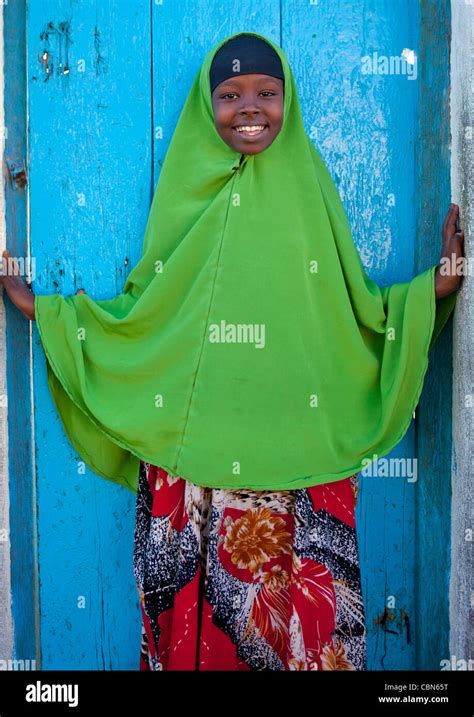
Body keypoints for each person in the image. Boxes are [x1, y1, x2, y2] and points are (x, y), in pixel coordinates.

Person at [0, 32, 464, 671]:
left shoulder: (310, 196)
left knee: (302, 637)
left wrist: (430, 291)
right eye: (230, 94)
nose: (250, 107)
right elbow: (147, 314)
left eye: (267, 93)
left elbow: (357, 310)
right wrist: (47, 312)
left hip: (300, 477)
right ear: (206, 106)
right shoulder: (185, 200)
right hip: (196, 486)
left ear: (287, 100)